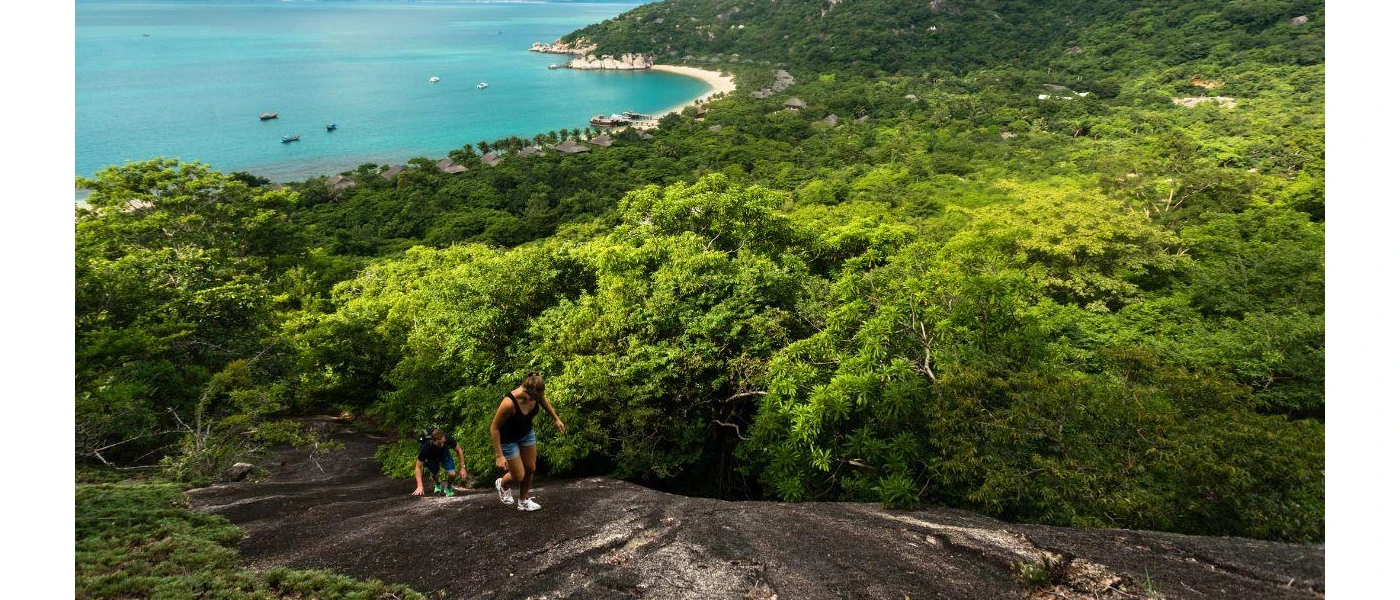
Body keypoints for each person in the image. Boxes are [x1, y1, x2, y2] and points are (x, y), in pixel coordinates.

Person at [490, 371, 565, 511]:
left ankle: (523, 500)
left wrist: (556, 419)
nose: (535, 400)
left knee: (531, 468)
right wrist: (499, 455)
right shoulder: (509, 403)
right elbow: (494, 428)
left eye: (538, 397)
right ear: (525, 390)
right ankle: (503, 484)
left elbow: (543, 400)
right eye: (533, 397)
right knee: (518, 475)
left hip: (526, 433)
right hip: (508, 439)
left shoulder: (536, 394)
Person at [412, 427, 471, 497]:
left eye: (443, 442)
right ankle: (437, 483)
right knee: (434, 474)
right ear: (433, 441)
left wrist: (462, 467)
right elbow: (418, 467)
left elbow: (459, 450)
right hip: (431, 458)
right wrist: (420, 486)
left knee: (452, 474)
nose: (442, 445)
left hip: (444, 455)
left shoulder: (447, 438)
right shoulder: (426, 447)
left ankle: (448, 488)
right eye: (439, 443)